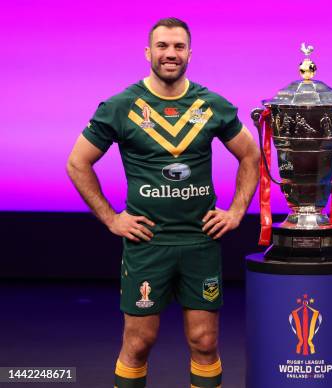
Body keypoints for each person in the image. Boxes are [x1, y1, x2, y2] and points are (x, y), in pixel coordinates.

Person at [66, 17, 259, 388]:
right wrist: (111, 219)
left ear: (189, 53)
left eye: (178, 47)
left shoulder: (212, 105)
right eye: (163, 46)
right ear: (148, 52)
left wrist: (236, 212)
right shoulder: (120, 106)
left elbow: (250, 157)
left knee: (205, 342)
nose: (171, 54)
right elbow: (78, 162)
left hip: (200, 242)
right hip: (147, 244)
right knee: (138, 343)